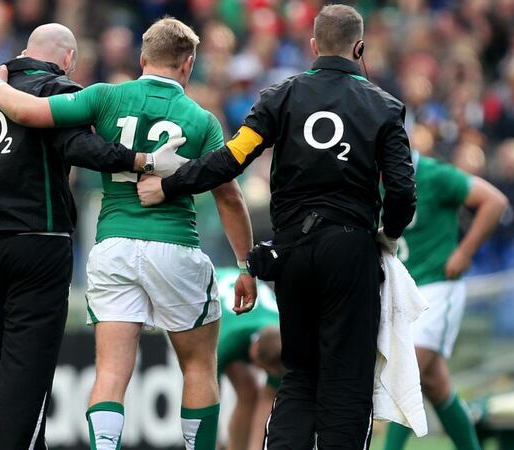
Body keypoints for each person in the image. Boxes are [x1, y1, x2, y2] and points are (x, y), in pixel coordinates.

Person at [137, 5, 416, 449]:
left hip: (293, 254)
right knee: (346, 382)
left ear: (313, 46)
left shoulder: (280, 97)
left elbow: (229, 160)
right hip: (350, 252)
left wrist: (169, 185)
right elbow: (402, 191)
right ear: (360, 48)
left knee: (300, 375)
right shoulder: (384, 108)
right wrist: (389, 234)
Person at [0, 17, 257, 450]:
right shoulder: (201, 120)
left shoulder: (106, 96)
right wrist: (244, 265)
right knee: (198, 366)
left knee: (110, 372)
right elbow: (230, 198)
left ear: (142, 58)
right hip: (176, 246)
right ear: (189, 63)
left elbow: (28, 111)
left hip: (114, 246)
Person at [0, 24, 187, 450]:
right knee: (25, 392)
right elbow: (80, 149)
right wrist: (142, 161)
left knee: (6, 386)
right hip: (38, 247)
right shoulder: (58, 92)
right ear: (67, 58)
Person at [384, 151, 507, 450]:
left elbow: (495, 201)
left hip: (438, 288)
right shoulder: (373, 180)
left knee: (407, 373)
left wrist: (464, 252)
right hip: (401, 291)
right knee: (435, 385)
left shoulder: (433, 175)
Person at [215, 268, 283, 450]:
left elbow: (268, 400)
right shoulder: (228, 341)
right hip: (206, 300)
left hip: (244, 318)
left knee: (250, 392)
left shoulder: (281, 348)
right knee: (248, 391)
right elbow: (209, 398)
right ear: (252, 351)